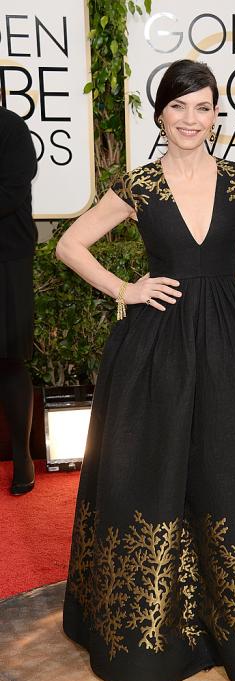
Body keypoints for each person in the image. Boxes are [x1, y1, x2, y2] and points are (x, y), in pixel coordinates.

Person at [59, 60, 235, 681]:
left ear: (217, 114)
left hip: (229, 343)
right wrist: (126, 289)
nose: (192, 120)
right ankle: (152, 638)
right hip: (157, 347)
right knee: (154, 473)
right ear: (160, 113)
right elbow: (69, 244)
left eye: (204, 107)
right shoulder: (138, 185)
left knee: (231, 470)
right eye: (179, 107)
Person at [0, 105, 38, 496]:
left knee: (9, 359)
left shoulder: (10, 127)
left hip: (6, 259)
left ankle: (21, 455)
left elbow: (10, 193)